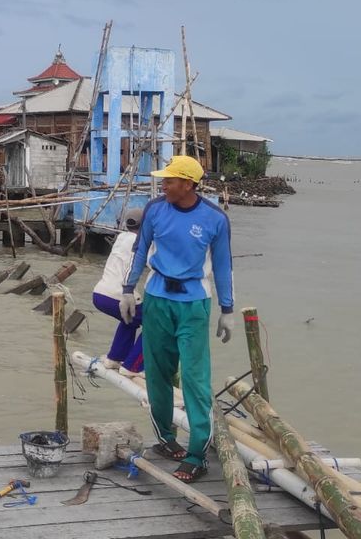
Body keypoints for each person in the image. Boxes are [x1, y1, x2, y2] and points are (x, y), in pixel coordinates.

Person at [119, 155, 235, 483]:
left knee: (195, 378)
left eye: (169, 180)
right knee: (157, 373)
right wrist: (128, 290)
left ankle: (197, 452)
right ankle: (166, 439)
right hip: (157, 299)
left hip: (194, 304)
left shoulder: (215, 219)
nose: (163, 185)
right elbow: (140, 250)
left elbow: (224, 266)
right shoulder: (155, 209)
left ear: (188, 184)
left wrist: (227, 310)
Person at [91, 208, 145, 375]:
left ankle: (115, 358)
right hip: (118, 295)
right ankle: (133, 367)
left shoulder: (121, 237)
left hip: (99, 293)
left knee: (130, 320)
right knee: (156, 325)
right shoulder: (141, 242)